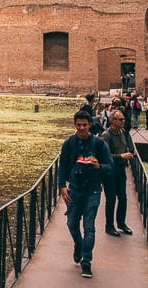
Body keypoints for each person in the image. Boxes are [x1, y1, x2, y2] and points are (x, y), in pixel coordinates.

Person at [58, 110, 114, 278]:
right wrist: (61, 186)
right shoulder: (69, 143)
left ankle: (86, 261)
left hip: (93, 191)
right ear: (75, 125)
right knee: (71, 223)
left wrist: (99, 166)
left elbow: (110, 166)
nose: (82, 128)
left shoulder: (99, 144)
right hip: (74, 190)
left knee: (89, 227)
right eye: (79, 125)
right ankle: (79, 244)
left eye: (85, 125)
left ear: (90, 125)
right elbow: (62, 166)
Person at [101, 111, 135, 237]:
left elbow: (126, 146)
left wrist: (130, 153)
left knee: (123, 197)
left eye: (123, 119)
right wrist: (121, 156)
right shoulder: (106, 136)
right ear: (113, 121)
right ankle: (109, 226)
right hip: (110, 172)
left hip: (120, 169)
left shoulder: (122, 132)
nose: (123, 121)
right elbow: (105, 156)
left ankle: (121, 223)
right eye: (120, 119)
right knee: (111, 199)